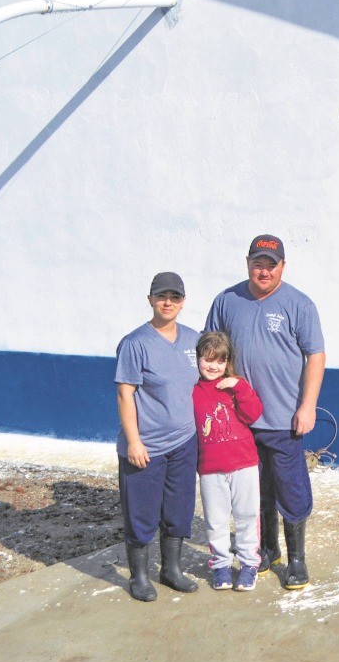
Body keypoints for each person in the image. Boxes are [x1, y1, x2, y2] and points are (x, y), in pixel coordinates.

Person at [205, 234, 325, 591]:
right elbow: (210, 352)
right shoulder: (227, 301)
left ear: (282, 267)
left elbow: (316, 355)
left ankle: (297, 559)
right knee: (254, 491)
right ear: (248, 263)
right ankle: (267, 549)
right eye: (257, 263)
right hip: (240, 421)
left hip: (284, 419)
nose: (263, 271)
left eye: (271, 265)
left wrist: (307, 405)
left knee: (291, 489)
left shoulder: (299, 304)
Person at [114, 272, 201, 602]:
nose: (168, 302)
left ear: (183, 302)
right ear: (150, 299)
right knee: (141, 513)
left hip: (184, 442)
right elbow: (125, 394)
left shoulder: (193, 340)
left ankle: (171, 569)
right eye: (161, 296)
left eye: (174, 297)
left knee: (178, 509)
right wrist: (134, 441)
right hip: (146, 446)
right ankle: (139, 575)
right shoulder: (135, 343)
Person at [192, 331, 264, 591]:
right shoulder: (193, 391)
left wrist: (239, 387)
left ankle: (249, 565)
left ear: (227, 362)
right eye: (208, 359)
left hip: (244, 464)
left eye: (220, 361)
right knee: (216, 521)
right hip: (211, 469)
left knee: (247, 516)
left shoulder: (236, 386)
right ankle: (221, 564)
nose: (213, 366)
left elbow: (253, 414)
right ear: (198, 359)